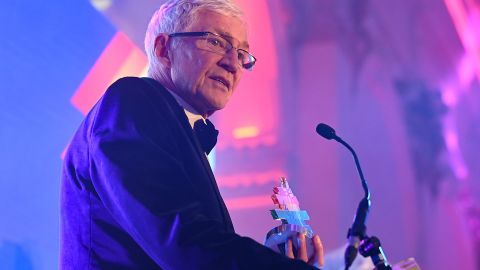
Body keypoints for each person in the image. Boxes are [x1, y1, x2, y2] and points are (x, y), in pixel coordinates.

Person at [60, 0, 324, 269]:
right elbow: (182, 239)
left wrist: (271, 259)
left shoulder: (178, 128)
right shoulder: (131, 101)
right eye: (215, 42)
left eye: (242, 54)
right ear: (164, 49)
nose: (233, 64)